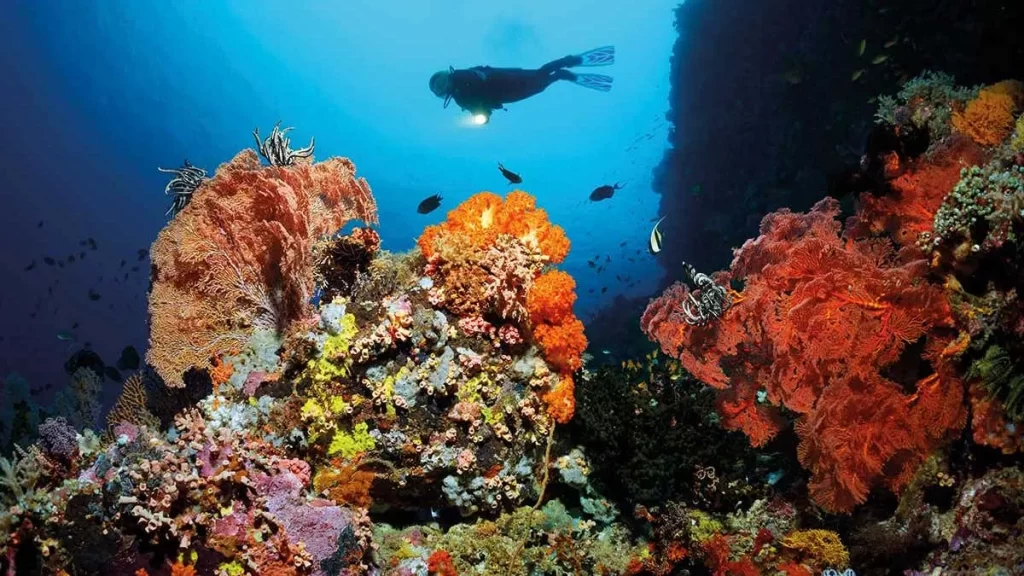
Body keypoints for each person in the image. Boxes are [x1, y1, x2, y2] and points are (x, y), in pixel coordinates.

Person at [429, 46, 614, 122]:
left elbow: (477, 77)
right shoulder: (460, 100)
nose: (444, 85)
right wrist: (482, 116)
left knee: (540, 76)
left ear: (447, 75)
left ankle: (567, 63)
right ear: (440, 94)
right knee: (540, 84)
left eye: (442, 80)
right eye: (439, 87)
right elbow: (480, 111)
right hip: (506, 95)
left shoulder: (460, 76)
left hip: (505, 80)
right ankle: (562, 74)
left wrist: (481, 105)